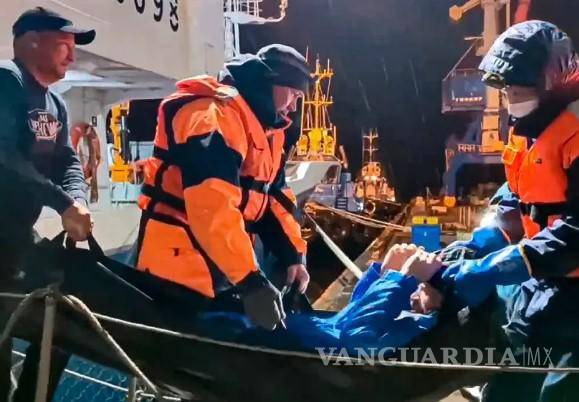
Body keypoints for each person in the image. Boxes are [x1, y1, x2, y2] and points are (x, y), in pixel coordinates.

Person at [398, 20, 579, 401]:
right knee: (510, 382)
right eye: (506, 90)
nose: (511, 98)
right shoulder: (531, 128)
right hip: (546, 285)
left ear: (551, 81)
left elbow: (574, 233)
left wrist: (491, 269)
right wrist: (478, 245)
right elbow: (517, 198)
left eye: (519, 90)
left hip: (571, 295)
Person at [136, 44, 312, 330]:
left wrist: (293, 256)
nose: (294, 106)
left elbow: (274, 198)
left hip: (219, 264)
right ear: (271, 82)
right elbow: (211, 206)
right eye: (293, 93)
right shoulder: (212, 116)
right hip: (176, 270)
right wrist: (251, 282)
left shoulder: (266, 129)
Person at [0, 7, 96, 400]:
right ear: (31, 42)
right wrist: (61, 203)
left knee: (67, 315)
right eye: (64, 45)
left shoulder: (55, 103)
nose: (72, 55)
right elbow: (4, 156)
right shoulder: (6, 80)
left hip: (17, 238)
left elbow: (67, 161)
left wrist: (77, 200)